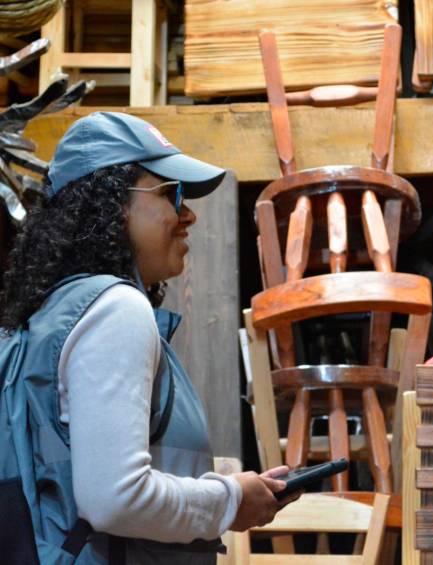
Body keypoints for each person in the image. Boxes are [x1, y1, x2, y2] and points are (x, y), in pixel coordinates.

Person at [0, 111, 298, 564]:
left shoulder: (54, 313)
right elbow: (116, 498)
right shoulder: (116, 310)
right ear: (108, 205)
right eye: (170, 193)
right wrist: (230, 501)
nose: (189, 213)